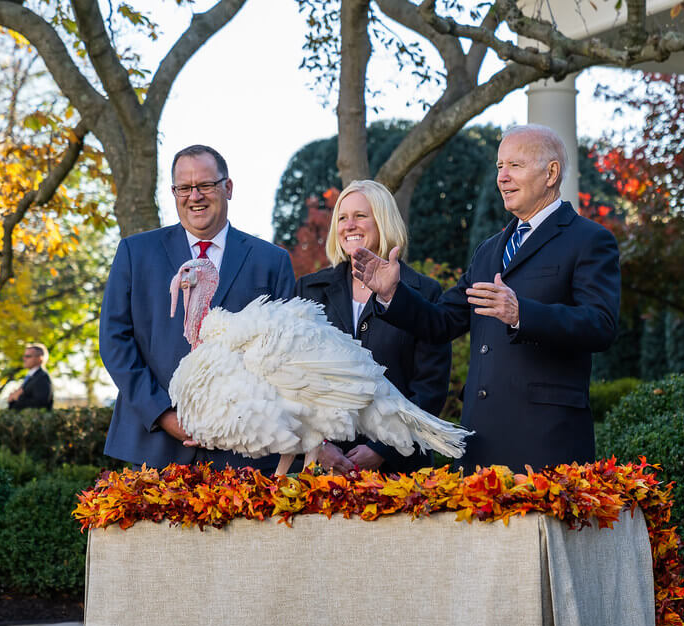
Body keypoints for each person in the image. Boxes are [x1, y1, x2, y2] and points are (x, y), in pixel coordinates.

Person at [351, 124, 620, 472]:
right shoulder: (489, 251)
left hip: (546, 440)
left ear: (551, 173)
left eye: (515, 166)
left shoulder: (589, 239)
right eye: (499, 167)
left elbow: (600, 325)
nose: (502, 178)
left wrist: (522, 313)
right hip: (481, 441)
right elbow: (441, 322)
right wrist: (391, 294)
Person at [100, 144, 296, 471]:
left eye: (205, 185)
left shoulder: (271, 261)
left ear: (228, 188)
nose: (195, 196)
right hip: (155, 447)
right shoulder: (136, 253)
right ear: (174, 192)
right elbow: (114, 340)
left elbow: (285, 353)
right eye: (184, 188)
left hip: (246, 449)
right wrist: (162, 413)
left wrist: (234, 420)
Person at [295, 180, 451, 474]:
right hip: (325, 472)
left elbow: (430, 389)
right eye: (342, 218)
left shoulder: (424, 292)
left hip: (401, 473)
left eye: (360, 216)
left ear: (383, 220)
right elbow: (294, 381)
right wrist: (319, 444)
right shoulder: (309, 291)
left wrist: (382, 449)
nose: (349, 225)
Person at [8, 342, 54, 410]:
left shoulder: (42, 377)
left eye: (28, 356)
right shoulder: (30, 377)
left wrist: (18, 398)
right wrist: (11, 400)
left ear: (40, 358)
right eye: (24, 356)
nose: (24, 359)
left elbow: (41, 405)